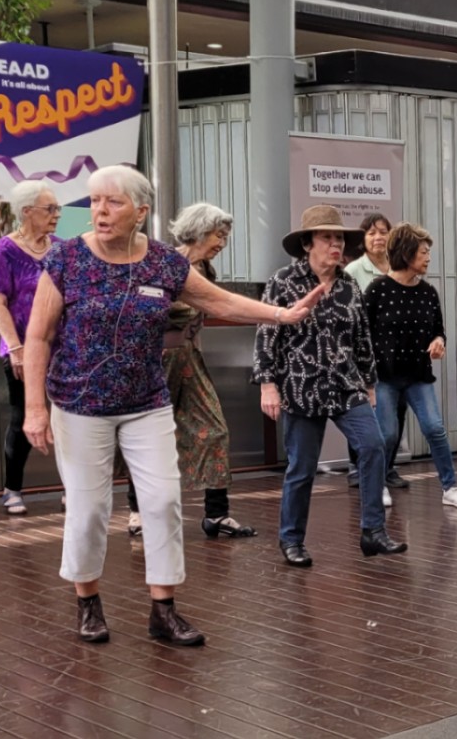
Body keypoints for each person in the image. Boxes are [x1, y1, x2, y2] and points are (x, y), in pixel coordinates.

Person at [21, 165, 323, 645]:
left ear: (140, 211)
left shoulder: (163, 262)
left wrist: (281, 315)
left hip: (147, 402)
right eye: (94, 201)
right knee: (89, 508)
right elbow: (38, 336)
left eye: (113, 201)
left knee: (163, 502)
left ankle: (163, 610)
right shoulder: (67, 259)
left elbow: (220, 302)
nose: (100, 210)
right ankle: (88, 602)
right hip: (79, 403)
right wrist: (34, 408)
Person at [254, 205, 407, 569]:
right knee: (302, 468)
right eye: (327, 238)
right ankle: (291, 539)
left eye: (339, 238)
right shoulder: (283, 281)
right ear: (308, 244)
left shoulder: (349, 284)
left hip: (346, 385)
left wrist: (369, 382)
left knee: (374, 445)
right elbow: (266, 335)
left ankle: (373, 531)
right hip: (302, 387)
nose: (336, 244)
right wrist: (267, 384)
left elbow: (362, 337)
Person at [122, 203, 257, 540]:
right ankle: (137, 511)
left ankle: (217, 514)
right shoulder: (163, 263)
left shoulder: (206, 271)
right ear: (198, 231)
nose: (222, 243)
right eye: (218, 235)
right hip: (155, 361)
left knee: (215, 430)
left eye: (225, 236)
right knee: (148, 435)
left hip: (189, 360)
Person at [364, 224, 457, 510]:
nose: (428, 258)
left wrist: (439, 341)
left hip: (418, 375)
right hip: (384, 376)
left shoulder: (428, 292)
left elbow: (438, 329)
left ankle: (450, 487)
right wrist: (365, 376)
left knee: (434, 428)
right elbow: (361, 334)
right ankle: (378, 485)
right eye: (423, 252)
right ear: (407, 253)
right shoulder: (377, 290)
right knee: (387, 434)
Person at [0, 180, 63, 515]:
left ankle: (73, 487)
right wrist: (15, 348)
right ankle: (12, 488)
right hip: (22, 347)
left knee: (70, 418)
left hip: (62, 348)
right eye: (50, 209)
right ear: (27, 212)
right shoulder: (6, 249)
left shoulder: (60, 249)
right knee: (23, 415)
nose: (57, 215)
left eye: (58, 208)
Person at [342, 213, 408, 492]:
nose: (378, 237)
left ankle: (388, 466)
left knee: (397, 411)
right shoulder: (353, 270)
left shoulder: (400, 267)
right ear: (363, 239)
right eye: (371, 233)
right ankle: (356, 467)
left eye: (383, 232)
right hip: (365, 354)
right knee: (363, 412)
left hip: (399, 355)